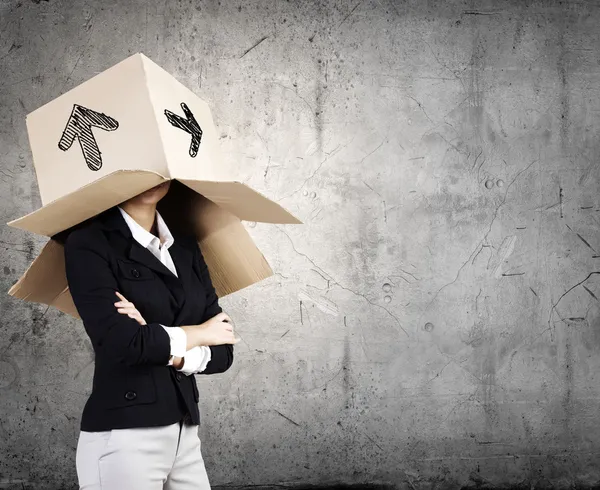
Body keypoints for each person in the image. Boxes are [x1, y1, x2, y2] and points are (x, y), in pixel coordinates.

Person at [63, 180, 239, 489]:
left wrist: (166, 347)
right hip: (124, 437)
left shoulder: (185, 245)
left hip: (186, 433)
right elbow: (125, 344)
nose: (148, 177)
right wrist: (199, 333)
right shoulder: (89, 244)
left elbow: (224, 349)